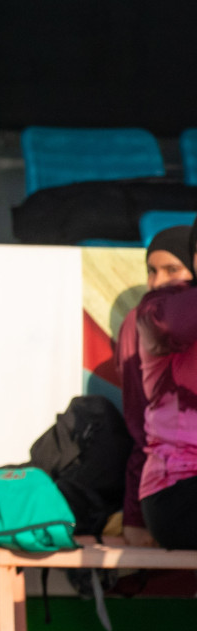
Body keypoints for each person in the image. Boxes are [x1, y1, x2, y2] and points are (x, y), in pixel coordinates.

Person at [116, 225, 197, 550]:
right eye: (152, 271)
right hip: (179, 488)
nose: (159, 279)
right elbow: (138, 428)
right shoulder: (155, 311)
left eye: (170, 269)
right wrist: (132, 517)